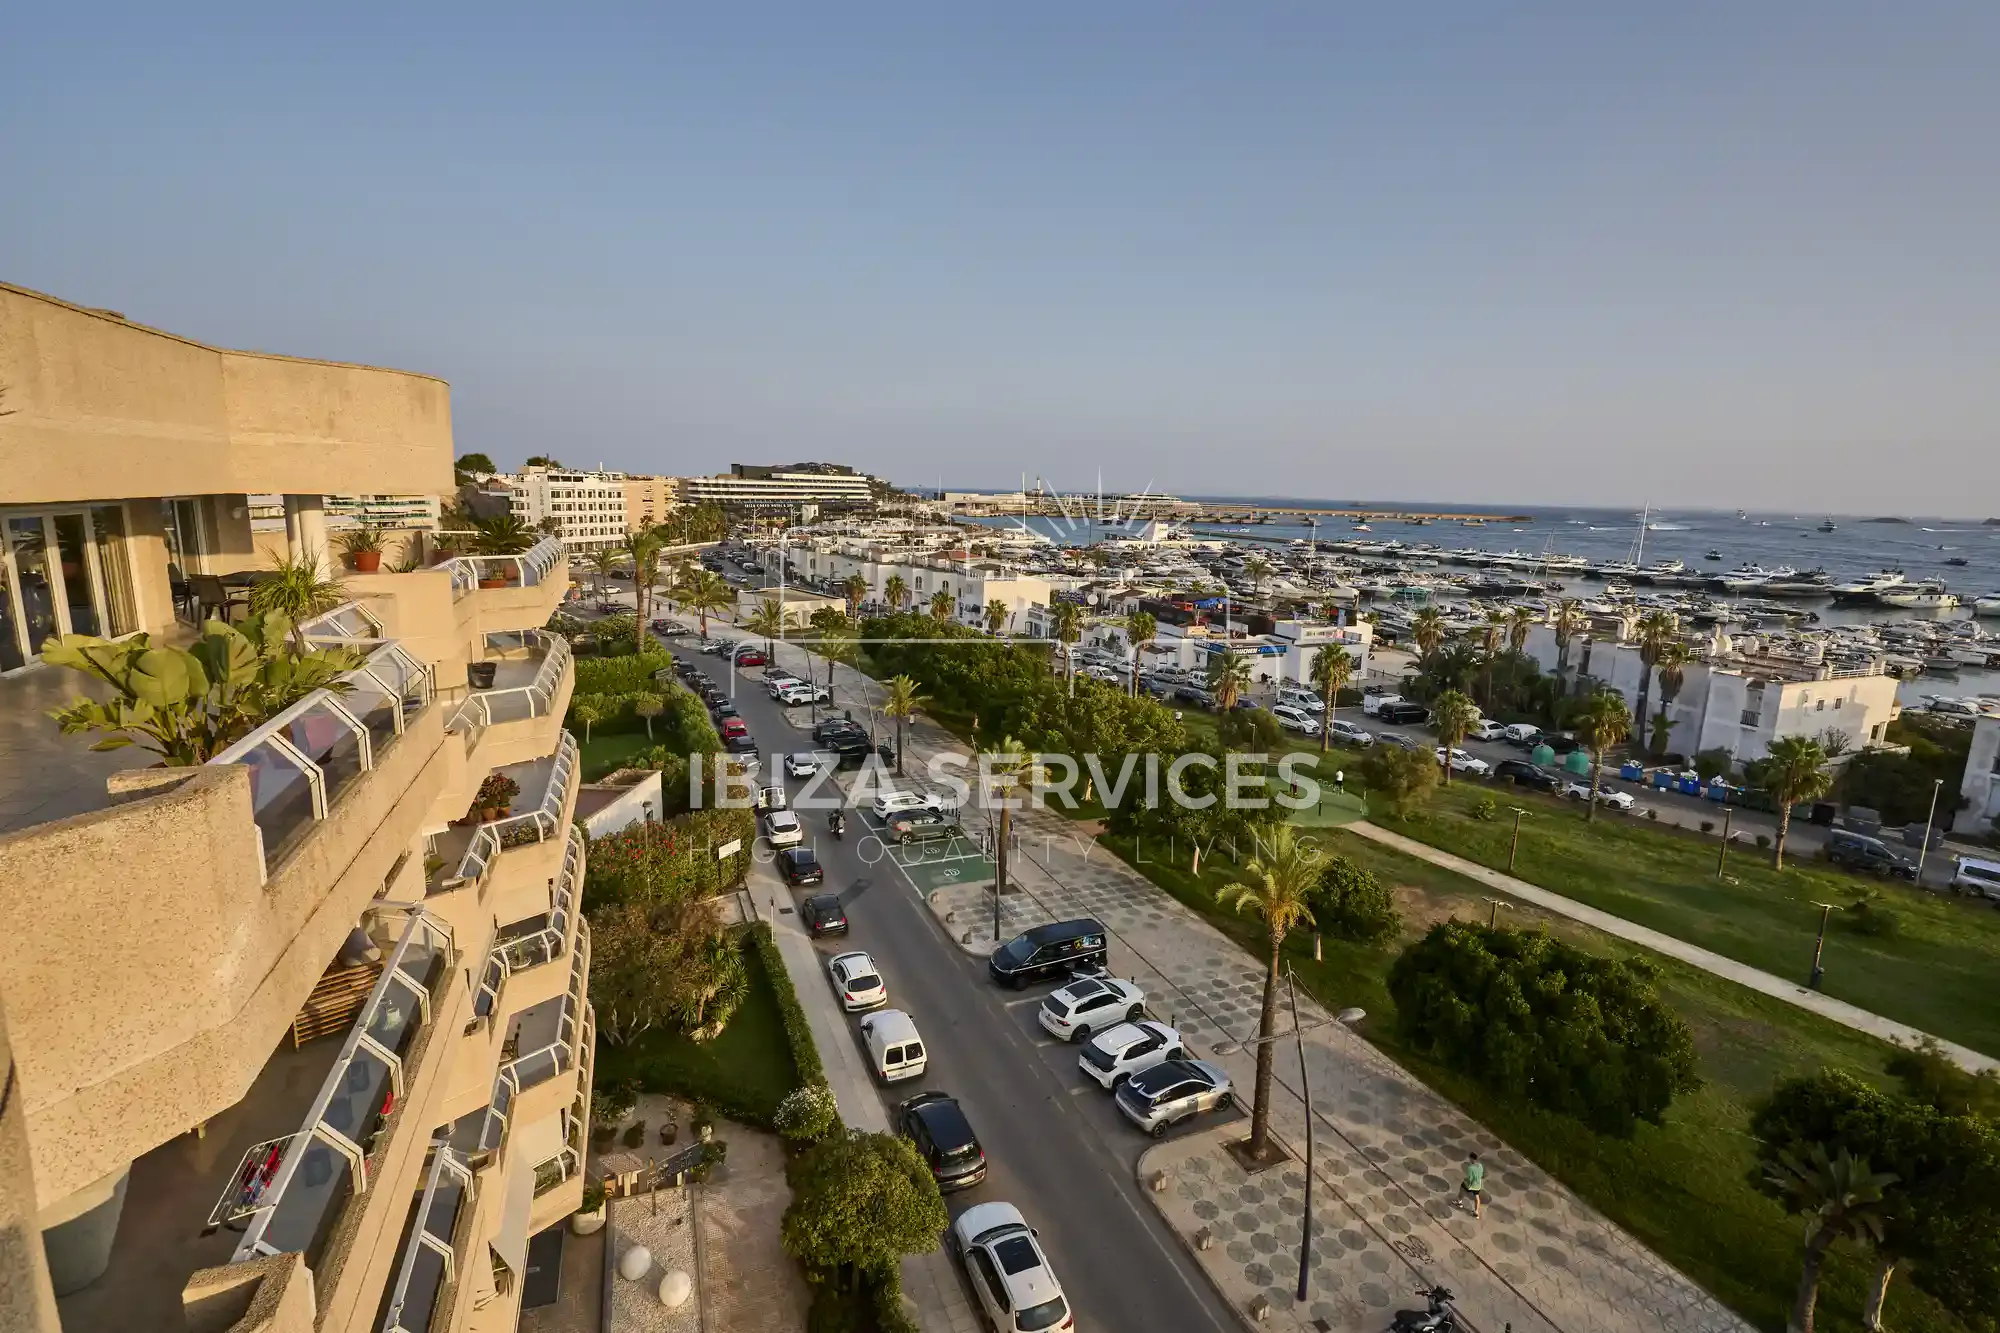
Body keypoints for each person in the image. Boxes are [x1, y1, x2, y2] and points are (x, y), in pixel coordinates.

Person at [1458, 1152, 1484, 1218]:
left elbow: (1470, 1178)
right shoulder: (1480, 1165)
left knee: (1462, 1189)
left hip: (1471, 1185)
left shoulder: (1470, 1167)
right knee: (1477, 1197)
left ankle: (1459, 1202)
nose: (1469, 1160)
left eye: (1470, 1158)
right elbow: (1481, 1174)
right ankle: (1476, 1212)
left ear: (1472, 1159)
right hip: (1478, 1185)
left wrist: (1465, 1179)